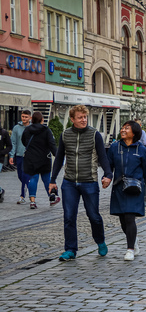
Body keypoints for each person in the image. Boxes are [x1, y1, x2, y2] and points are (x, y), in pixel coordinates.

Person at [49, 105, 113, 261]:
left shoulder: (94, 135)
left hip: (89, 181)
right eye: (80, 117)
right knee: (69, 217)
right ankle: (70, 249)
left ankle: (100, 241)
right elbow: (58, 159)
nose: (84, 120)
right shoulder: (65, 135)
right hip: (69, 182)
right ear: (72, 119)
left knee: (94, 216)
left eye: (85, 117)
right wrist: (52, 180)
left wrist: (108, 174)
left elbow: (103, 157)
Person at [107, 121, 146, 260]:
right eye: (122, 128)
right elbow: (108, 167)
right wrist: (107, 178)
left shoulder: (141, 149)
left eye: (126, 128)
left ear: (134, 132)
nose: (123, 130)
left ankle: (130, 249)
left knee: (129, 217)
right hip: (119, 187)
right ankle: (133, 240)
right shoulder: (115, 147)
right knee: (123, 220)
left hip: (135, 188)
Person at [21, 111, 60, 209]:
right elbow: (52, 144)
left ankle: (32, 202)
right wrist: (58, 156)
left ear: (32, 119)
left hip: (31, 158)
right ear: (42, 120)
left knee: (33, 179)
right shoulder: (46, 130)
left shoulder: (27, 130)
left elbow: (24, 141)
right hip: (44, 158)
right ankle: (51, 198)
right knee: (46, 179)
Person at [9, 109, 31, 204]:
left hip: (29, 156)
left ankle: (22, 196)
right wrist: (11, 155)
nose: (24, 118)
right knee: (20, 176)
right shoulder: (16, 128)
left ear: (30, 117)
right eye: (23, 116)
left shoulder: (32, 128)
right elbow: (13, 142)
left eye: (26, 117)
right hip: (19, 155)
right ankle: (30, 187)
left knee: (25, 175)